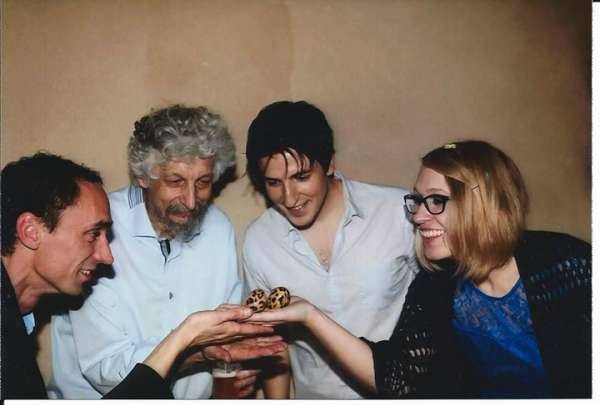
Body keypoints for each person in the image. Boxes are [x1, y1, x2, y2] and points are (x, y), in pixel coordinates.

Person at [249, 140, 591, 398]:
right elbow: (396, 377)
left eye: (436, 201)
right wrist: (310, 315)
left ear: (483, 203)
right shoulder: (436, 288)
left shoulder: (568, 264)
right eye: (417, 200)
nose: (418, 216)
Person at [0, 152, 286, 400]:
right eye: (93, 234)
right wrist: (187, 335)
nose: (107, 256)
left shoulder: (17, 320)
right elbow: (108, 374)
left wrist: (200, 351)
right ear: (30, 231)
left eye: (203, 181)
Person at [49, 105, 259, 399]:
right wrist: (197, 354)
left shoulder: (218, 228)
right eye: (175, 181)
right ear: (143, 176)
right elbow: (107, 371)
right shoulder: (97, 229)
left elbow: (227, 334)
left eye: (203, 182)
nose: (191, 201)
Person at [242, 100, 419, 398]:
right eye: (273, 183)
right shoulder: (259, 240)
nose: (289, 197)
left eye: (301, 177)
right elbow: (273, 345)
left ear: (330, 164)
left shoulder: (397, 213)